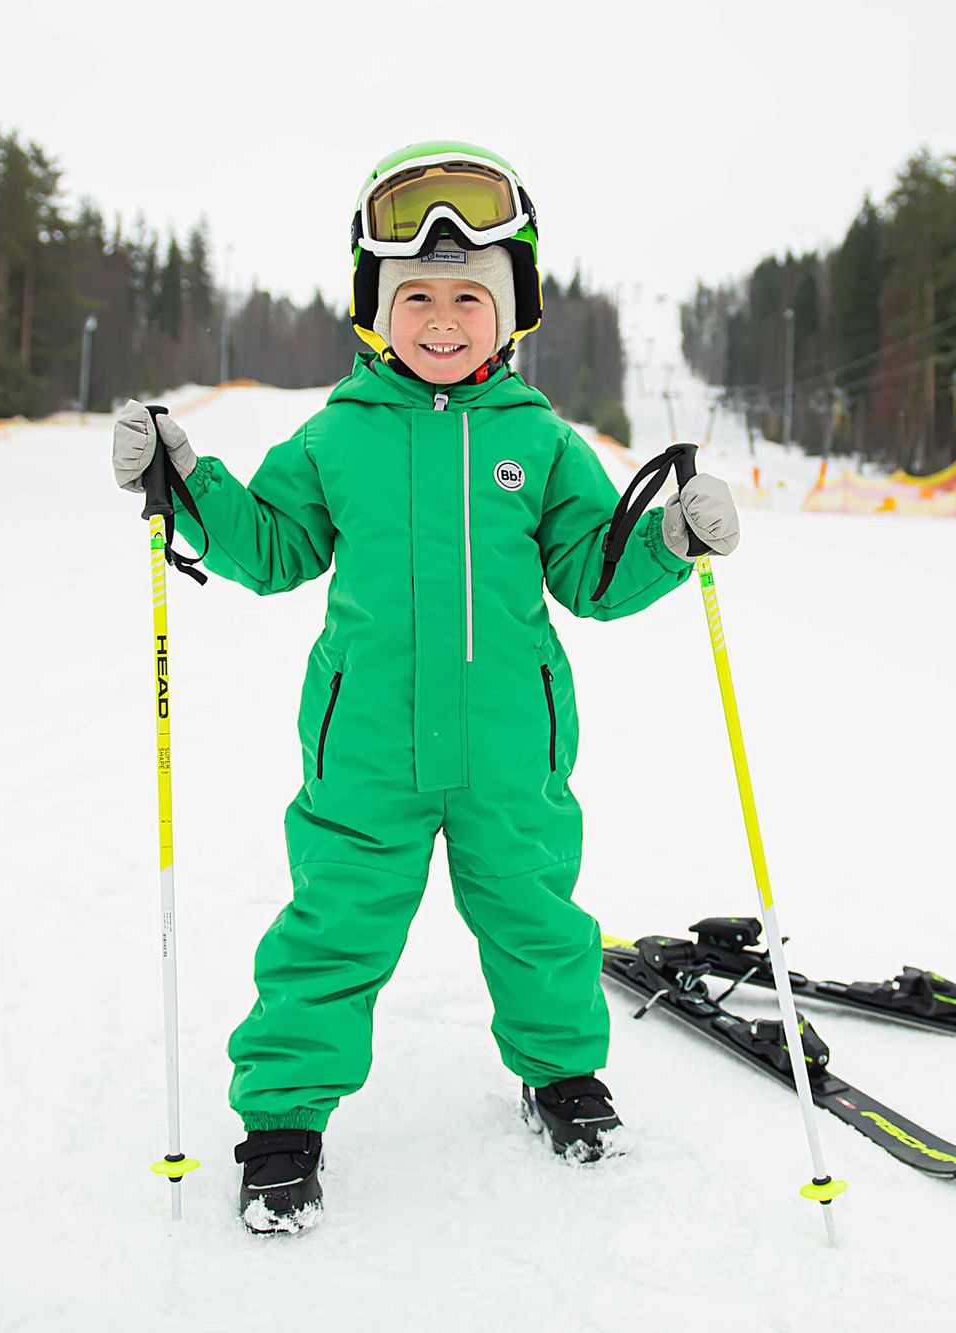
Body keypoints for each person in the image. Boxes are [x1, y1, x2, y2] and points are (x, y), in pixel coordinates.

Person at [112, 141, 739, 1234]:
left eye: (467, 297)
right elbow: (269, 548)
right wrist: (186, 481)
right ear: (374, 307)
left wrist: (669, 540)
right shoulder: (336, 437)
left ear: (511, 313)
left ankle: (562, 1077)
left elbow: (592, 573)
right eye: (416, 296)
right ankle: (282, 1120)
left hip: (509, 752)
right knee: (334, 930)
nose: (441, 318)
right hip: (365, 753)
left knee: (538, 919)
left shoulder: (540, 441)